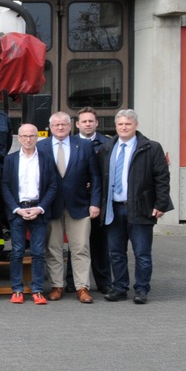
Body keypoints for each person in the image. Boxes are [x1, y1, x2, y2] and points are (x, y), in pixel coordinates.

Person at [101, 109, 172, 305]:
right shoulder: (108, 148)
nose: (124, 127)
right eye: (120, 124)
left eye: (128, 124)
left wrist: (161, 203)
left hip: (141, 207)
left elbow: (162, 178)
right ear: (116, 127)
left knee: (142, 252)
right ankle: (120, 288)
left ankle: (141, 289)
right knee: (115, 252)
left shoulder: (151, 148)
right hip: (113, 209)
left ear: (136, 126)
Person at [38, 111, 101, 304]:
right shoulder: (41, 146)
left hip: (80, 205)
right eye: (56, 125)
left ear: (70, 126)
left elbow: (95, 177)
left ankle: (82, 287)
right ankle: (57, 286)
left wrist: (95, 203)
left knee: (81, 247)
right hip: (51, 205)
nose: (60, 128)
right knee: (53, 248)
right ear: (50, 127)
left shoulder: (84, 146)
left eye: (64, 124)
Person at [2, 123, 57, 304]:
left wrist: (41, 207)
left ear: (37, 137)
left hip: (38, 210)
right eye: (24, 136)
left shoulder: (46, 158)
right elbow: (5, 186)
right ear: (19, 137)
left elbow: (52, 186)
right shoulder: (10, 160)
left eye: (32, 136)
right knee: (17, 252)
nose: (28, 139)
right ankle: (17, 289)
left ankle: (37, 289)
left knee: (38, 253)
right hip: (18, 210)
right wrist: (16, 209)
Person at [76, 107, 113, 293]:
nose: (88, 124)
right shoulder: (71, 143)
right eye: (84, 121)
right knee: (77, 244)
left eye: (91, 121)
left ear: (97, 123)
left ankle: (104, 282)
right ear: (77, 124)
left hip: (100, 200)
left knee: (100, 244)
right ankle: (71, 282)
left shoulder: (108, 144)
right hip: (77, 200)